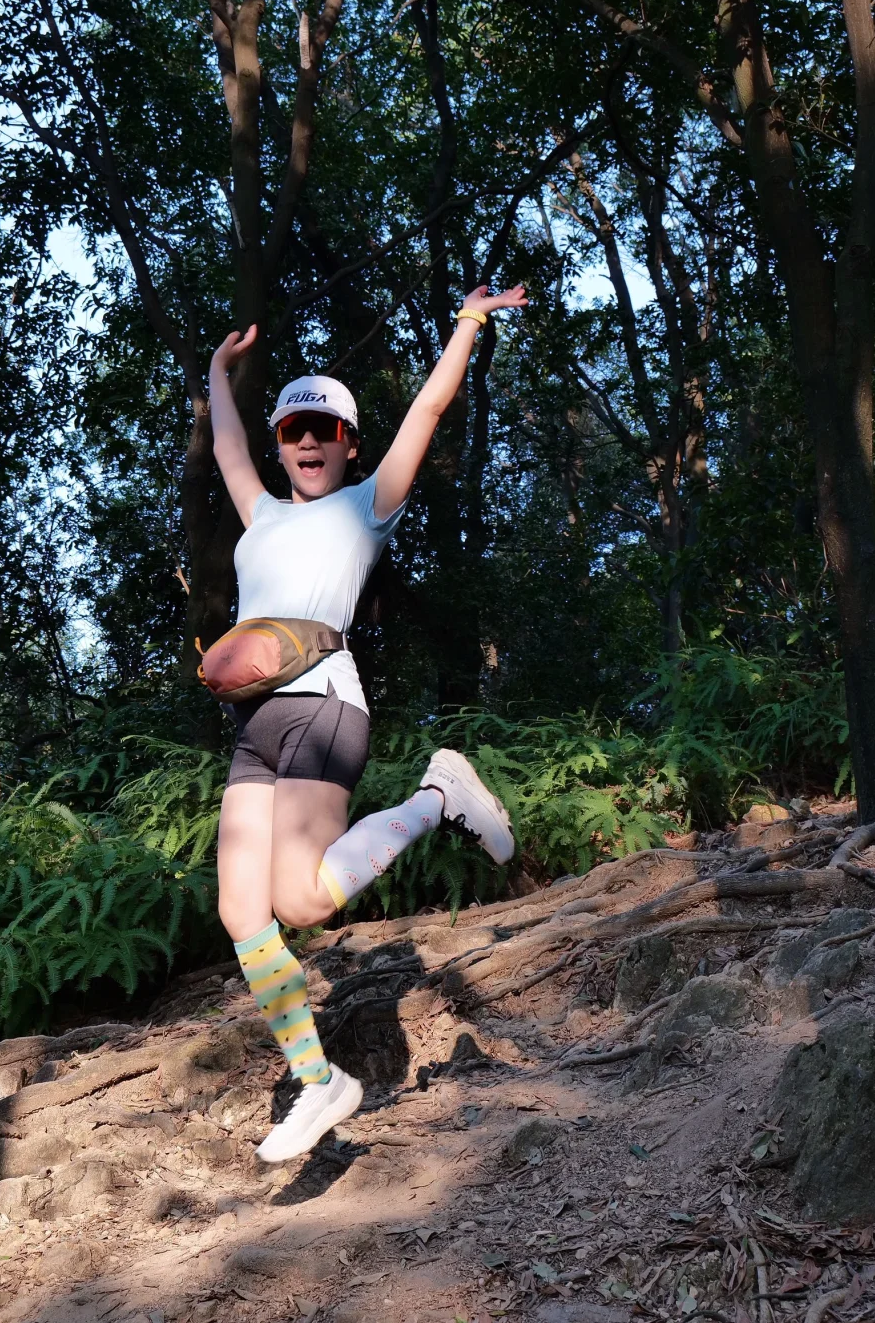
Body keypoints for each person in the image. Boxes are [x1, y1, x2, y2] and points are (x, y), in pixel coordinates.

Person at [209, 284, 528, 1163]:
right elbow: (228, 444)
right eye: (293, 430)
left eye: (327, 430)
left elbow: (429, 405)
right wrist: (216, 372)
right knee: (243, 909)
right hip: (257, 726)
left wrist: (468, 323)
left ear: (350, 447)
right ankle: (322, 1081)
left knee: (302, 897)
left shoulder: (366, 508)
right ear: (281, 445)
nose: (308, 440)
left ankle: (437, 794)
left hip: (324, 703)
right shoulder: (259, 515)